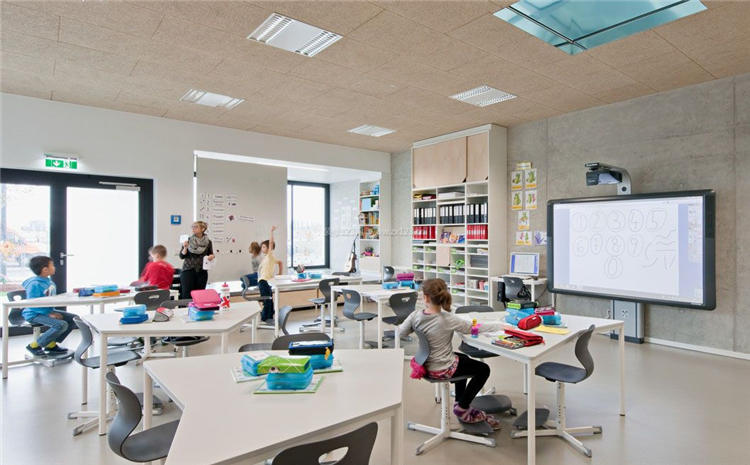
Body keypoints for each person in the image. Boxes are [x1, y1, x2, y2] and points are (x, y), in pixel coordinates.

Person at [399, 278, 503, 428]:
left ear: (426, 297)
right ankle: (462, 407)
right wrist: (499, 326)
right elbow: (472, 328)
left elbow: (401, 333)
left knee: (463, 358)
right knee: (484, 369)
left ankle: (459, 401)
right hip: (442, 369)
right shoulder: (448, 319)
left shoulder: (415, 315)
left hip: (425, 366)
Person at [22, 256, 76, 356]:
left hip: (47, 311)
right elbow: (32, 304)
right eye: (52, 265)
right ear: (45, 269)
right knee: (61, 325)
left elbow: (50, 299)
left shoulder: (49, 282)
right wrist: (49, 313)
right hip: (33, 314)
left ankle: (50, 344)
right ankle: (34, 345)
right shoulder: (34, 284)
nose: (54, 267)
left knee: (74, 319)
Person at [179, 221, 214, 299]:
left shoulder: (208, 242)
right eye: (192, 227)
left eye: (195, 227)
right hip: (188, 270)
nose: (193, 229)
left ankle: (198, 307)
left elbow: (211, 254)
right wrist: (185, 248)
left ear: (203, 229)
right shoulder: (188, 240)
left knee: (200, 295)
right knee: (187, 294)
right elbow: (181, 256)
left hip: (202, 271)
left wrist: (211, 256)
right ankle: (186, 307)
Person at [258, 226, 283, 324]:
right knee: (267, 300)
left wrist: (271, 231)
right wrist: (279, 273)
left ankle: (268, 317)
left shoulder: (269, 255)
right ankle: (265, 317)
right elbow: (280, 262)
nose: (262, 248)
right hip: (263, 281)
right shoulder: (267, 258)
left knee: (269, 300)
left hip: (266, 282)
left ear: (269, 248)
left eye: (264, 246)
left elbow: (280, 263)